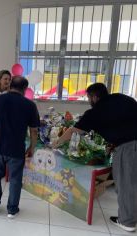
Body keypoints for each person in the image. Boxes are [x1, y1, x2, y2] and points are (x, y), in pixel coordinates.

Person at [53, 83, 137, 232]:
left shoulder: (96, 112)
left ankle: (128, 222)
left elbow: (73, 130)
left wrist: (56, 143)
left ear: (94, 96)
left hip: (128, 148)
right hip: (129, 144)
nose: (88, 101)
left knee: (126, 185)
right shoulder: (123, 98)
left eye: (88, 98)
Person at [0, 76, 39, 218]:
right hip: (16, 149)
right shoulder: (30, 105)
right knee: (15, 180)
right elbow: (34, 130)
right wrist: (32, 147)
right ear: (25, 89)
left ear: (10, 85)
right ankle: (12, 210)